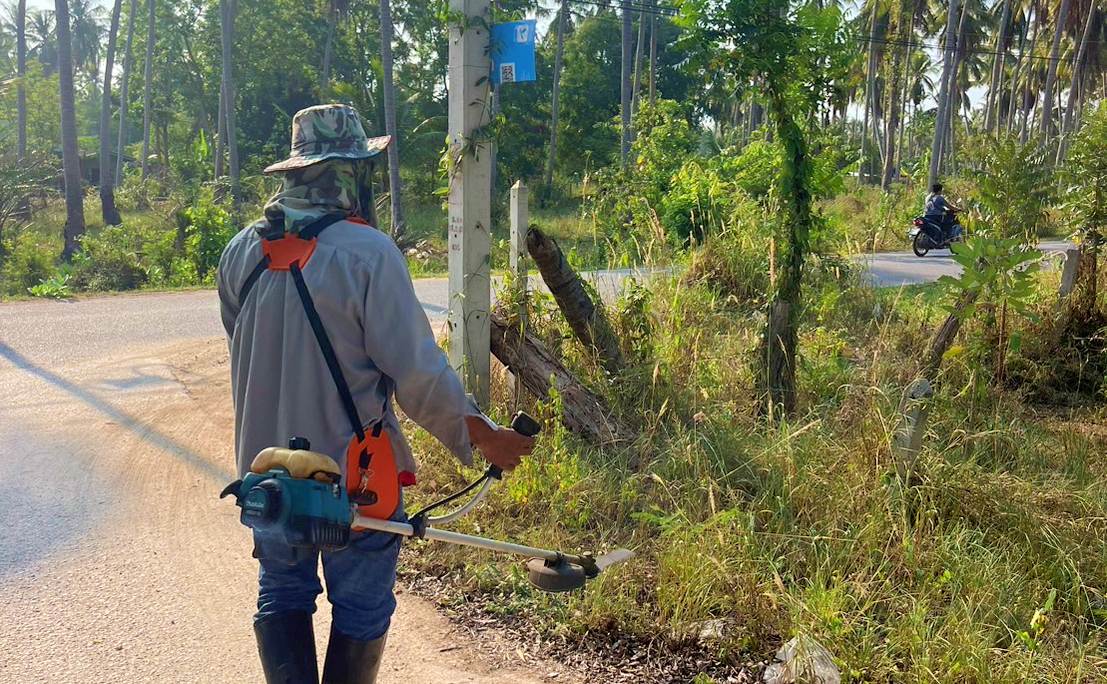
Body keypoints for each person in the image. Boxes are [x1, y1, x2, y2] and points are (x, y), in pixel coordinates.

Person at [217, 104, 534, 684]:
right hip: (352, 481)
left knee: (282, 594)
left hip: (267, 480)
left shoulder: (240, 252)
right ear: (348, 172)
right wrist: (482, 435)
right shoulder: (369, 254)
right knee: (361, 606)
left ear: (295, 171)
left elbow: (243, 345)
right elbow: (415, 372)